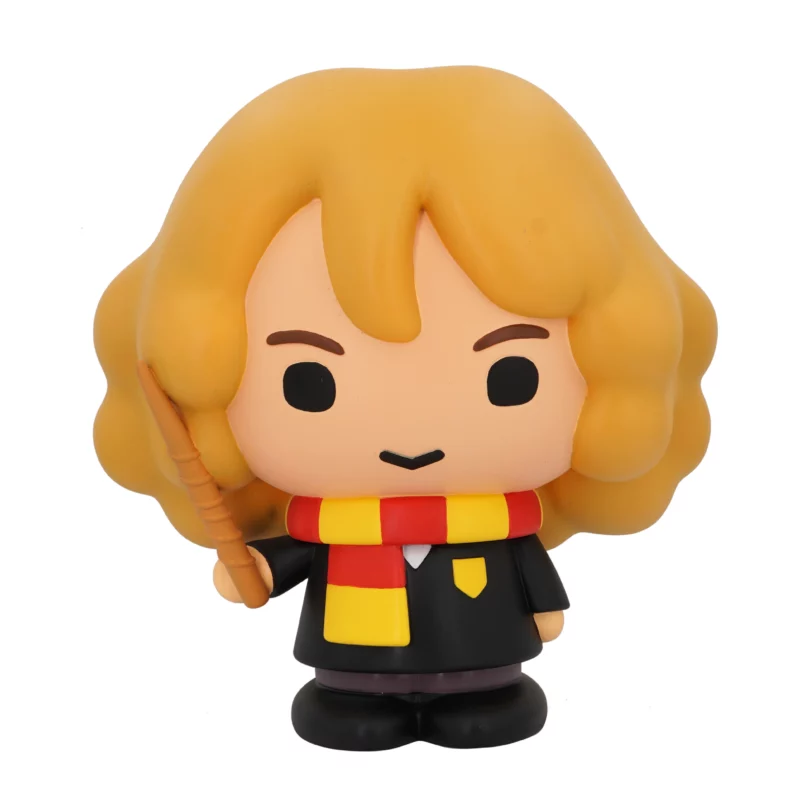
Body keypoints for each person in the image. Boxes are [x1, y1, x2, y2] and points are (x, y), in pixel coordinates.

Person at [94, 66, 716, 750]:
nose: (410, 427)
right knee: (350, 712)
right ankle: (355, 696)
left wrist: (544, 605)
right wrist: (262, 567)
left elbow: (530, 566)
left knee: (487, 707)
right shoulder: (328, 522)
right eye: (309, 382)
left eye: (510, 377)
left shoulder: (499, 522)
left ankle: (484, 692)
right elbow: (294, 557)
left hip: (487, 654)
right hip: (350, 663)